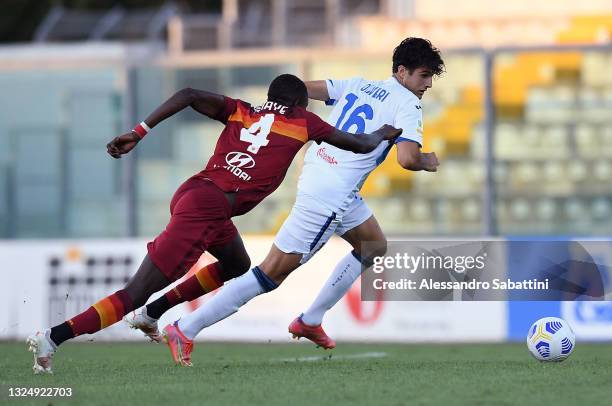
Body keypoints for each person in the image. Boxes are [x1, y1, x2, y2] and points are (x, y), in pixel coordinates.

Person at [26, 73, 401, 374]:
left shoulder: (242, 109)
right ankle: (54, 337)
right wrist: (384, 134)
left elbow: (188, 93)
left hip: (198, 193)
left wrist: (139, 131)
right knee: (134, 291)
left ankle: (151, 315)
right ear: (300, 103)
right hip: (205, 210)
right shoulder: (303, 121)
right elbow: (360, 144)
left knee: (236, 264)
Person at [126, 37, 443, 367]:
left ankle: (310, 319)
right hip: (331, 193)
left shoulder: (359, 84)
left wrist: (274, 113)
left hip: (323, 173)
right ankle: (186, 328)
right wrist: (428, 161)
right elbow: (407, 159)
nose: (428, 84)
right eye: (423, 75)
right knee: (271, 273)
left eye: (431, 77)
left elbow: (301, 88)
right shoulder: (408, 103)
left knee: (374, 246)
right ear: (402, 72)